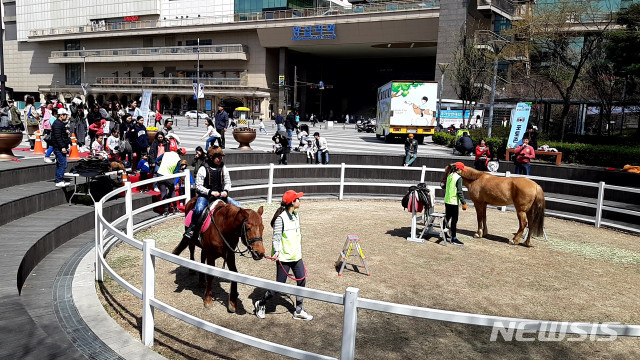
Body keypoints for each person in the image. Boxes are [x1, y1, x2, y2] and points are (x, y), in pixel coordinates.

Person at [254, 190, 313, 321]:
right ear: (292, 202)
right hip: (285, 258)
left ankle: (298, 310)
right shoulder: (281, 219)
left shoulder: (296, 215)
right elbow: (276, 238)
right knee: (279, 286)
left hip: (297, 256)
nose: (299, 201)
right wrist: (276, 251)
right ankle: (261, 303)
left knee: (302, 281)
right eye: (297, 199)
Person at [183, 146, 241, 240]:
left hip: (221, 196)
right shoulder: (203, 168)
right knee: (198, 209)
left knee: (238, 206)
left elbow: (227, 181)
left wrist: (226, 191)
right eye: (218, 157)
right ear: (211, 157)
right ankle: (192, 228)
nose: (220, 159)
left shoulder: (223, 167)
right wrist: (210, 192)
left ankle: (239, 229)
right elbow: (198, 185)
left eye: (221, 157)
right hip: (206, 197)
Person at [441, 162, 468, 246]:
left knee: (447, 218)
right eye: (461, 170)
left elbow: (444, 186)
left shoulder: (449, 176)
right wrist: (464, 202)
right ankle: (454, 238)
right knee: (454, 220)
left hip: (447, 201)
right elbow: (459, 192)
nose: (462, 171)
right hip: (453, 202)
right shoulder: (458, 178)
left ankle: (445, 234)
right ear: (458, 169)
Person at [156, 148, 185, 215]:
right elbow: (176, 171)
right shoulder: (178, 159)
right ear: (181, 154)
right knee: (172, 191)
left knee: (163, 192)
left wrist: (160, 165)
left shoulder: (166, 153)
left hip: (160, 174)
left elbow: (157, 160)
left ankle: (166, 210)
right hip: (169, 176)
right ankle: (175, 207)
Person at [51, 108, 71, 187]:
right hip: (59, 147)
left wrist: (65, 131)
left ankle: (60, 179)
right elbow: (58, 137)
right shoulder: (57, 124)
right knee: (62, 164)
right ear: (61, 115)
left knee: (61, 164)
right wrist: (62, 147)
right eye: (65, 115)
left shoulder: (60, 123)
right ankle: (59, 180)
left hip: (60, 147)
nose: (66, 116)